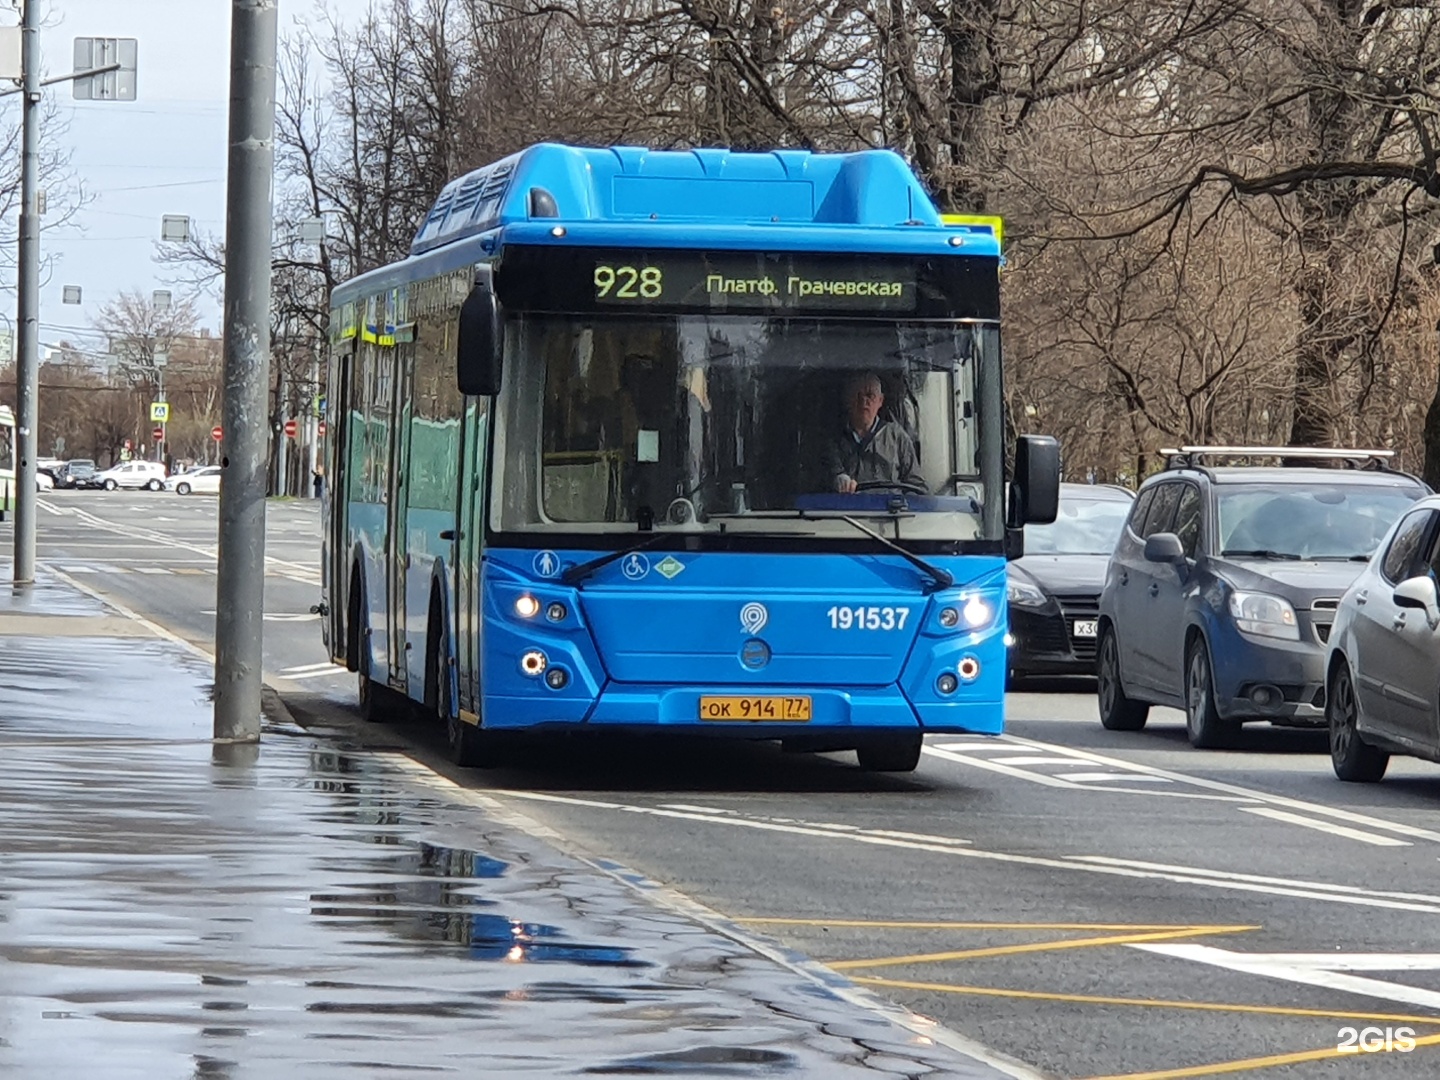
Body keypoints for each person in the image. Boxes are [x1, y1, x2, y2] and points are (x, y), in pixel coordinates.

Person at [822, 371, 925, 494]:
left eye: (870, 395)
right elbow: (824, 476)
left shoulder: (897, 437)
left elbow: (918, 489)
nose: (863, 401)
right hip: (846, 511)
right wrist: (838, 479)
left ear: (880, 401)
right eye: (858, 395)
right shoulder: (833, 438)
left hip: (891, 511)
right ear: (848, 400)